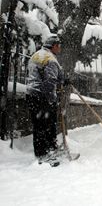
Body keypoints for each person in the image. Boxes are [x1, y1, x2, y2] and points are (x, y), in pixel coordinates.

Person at [26, 35, 64, 167]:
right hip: (43, 97)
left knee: (39, 125)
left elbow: (35, 74)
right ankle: (44, 155)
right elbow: (50, 81)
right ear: (54, 45)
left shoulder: (36, 55)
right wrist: (51, 100)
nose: (60, 48)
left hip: (32, 95)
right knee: (46, 125)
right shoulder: (50, 59)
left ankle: (48, 150)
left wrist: (63, 80)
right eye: (58, 45)